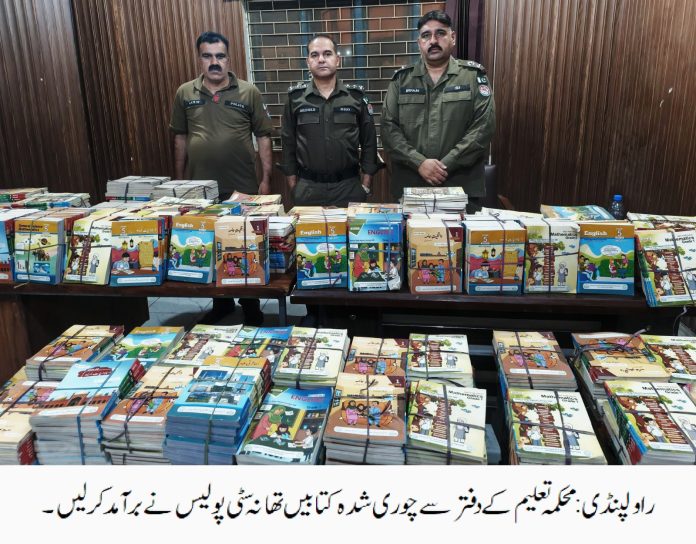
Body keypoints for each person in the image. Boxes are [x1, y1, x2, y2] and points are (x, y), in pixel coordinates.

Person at [169, 31, 273, 326]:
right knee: (210, 244)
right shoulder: (185, 93)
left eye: (220, 56)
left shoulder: (249, 92)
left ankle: (251, 305)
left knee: (245, 244)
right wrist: (180, 181)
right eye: (207, 56)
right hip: (200, 188)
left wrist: (266, 179)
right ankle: (221, 303)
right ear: (199, 58)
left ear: (229, 58)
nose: (214, 62)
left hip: (243, 185)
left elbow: (263, 136)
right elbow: (180, 137)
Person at [381, 10, 495, 211]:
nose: (433, 40)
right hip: (412, 186)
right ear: (419, 43)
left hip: (461, 186)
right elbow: (388, 129)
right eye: (426, 35)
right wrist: (419, 163)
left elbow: (483, 128)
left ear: (453, 38)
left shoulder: (473, 77)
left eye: (440, 33)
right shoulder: (401, 80)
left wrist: (445, 165)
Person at [280, 33, 379, 207]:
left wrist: (365, 184)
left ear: (337, 60)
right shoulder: (295, 99)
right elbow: (288, 144)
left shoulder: (356, 98)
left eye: (327, 54)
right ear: (308, 62)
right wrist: (294, 186)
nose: (321, 59)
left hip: (349, 188)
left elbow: (369, 142)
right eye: (314, 55)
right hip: (307, 189)